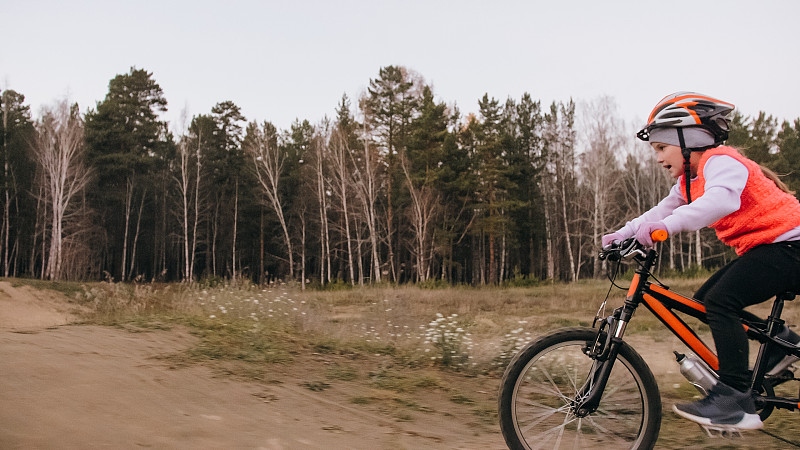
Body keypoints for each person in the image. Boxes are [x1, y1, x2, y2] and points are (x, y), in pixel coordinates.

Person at [602, 92, 800, 431]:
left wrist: (664, 229)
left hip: (790, 247)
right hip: (774, 249)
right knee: (707, 301)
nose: (658, 157)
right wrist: (622, 234)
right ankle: (782, 345)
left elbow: (720, 201)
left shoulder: (720, 160)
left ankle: (734, 400)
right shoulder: (689, 182)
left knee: (723, 301)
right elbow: (661, 211)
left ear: (688, 138)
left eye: (661, 148)